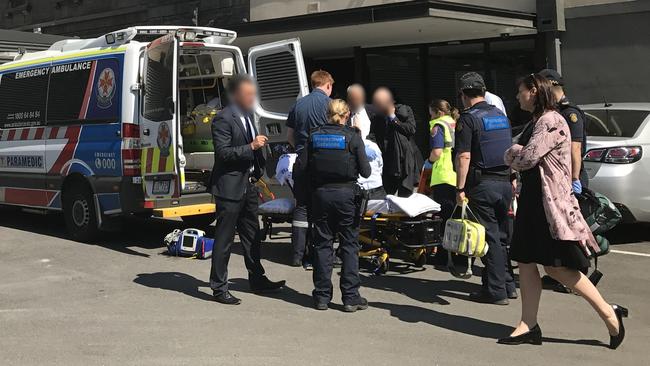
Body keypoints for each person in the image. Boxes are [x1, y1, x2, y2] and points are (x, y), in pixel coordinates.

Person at [499, 73, 627, 348]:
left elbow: (527, 157)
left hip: (549, 204)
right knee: (525, 261)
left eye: (520, 91)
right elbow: (525, 154)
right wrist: (517, 152)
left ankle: (609, 313)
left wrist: (511, 153)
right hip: (533, 200)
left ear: (533, 91)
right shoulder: (537, 121)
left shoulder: (551, 120)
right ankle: (527, 325)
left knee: (557, 268)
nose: (517, 96)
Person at [209, 75, 285, 305]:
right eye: (248, 94)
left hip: (249, 185)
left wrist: (260, 168)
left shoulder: (248, 115)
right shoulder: (223, 119)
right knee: (224, 240)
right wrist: (251, 146)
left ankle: (257, 279)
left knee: (252, 236)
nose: (253, 98)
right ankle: (219, 287)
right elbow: (223, 153)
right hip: (230, 187)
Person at [300, 99, 371, 312]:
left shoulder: (314, 136)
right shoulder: (352, 137)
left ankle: (322, 296)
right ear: (346, 115)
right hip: (347, 196)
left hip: (321, 195)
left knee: (322, 244)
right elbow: (366, 172)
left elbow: (302, 167)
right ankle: (350, 297)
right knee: (349, 245)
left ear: (327, 114)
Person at [454, 72, 517, 305]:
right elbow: (509, 148)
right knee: (501, 238)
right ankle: (508, 286)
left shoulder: (468, 119)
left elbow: (464, 156)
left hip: (483, 185)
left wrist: (460, 188)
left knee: (488, 238)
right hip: (504, 182)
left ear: (463, 94)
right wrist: (512, 177)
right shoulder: (500, 115)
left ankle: (496, 291)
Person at [286, 70, 334, 268]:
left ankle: (297, 255)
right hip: (322, 161)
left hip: (301, 161)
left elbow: (290, 135)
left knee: (302, 207)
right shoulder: (330, 105)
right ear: (328, 85)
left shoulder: (298, 104)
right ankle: (318, 253)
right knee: (322, 208)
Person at [538, 68, 589, 192]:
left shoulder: (569, 113)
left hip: (571, 174)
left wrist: (575, 178)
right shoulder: (555, 110)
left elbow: (575, 148)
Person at [371, 87, 422, 197]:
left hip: (404, 160)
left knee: (405, 197)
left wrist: (393, 117)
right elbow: (373, 135)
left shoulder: (405, 110)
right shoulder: (378, 115)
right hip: (387, 160)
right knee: (388, 197)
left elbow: (411, 129)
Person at [424, 99, 458, 221]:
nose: (431, 117)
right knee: (457, 215)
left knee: (445, 216)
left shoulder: (438, 126)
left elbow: (437, 152)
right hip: (458, 174)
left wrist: (429, 161)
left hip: (443, 175)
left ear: (439, 112)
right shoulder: (455, 123)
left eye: (431, 114)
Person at [358, 135, 385, 200]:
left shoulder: (347, 145)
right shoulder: (373, 145)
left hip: (359, 190)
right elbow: (380, 166)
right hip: (377, 188)